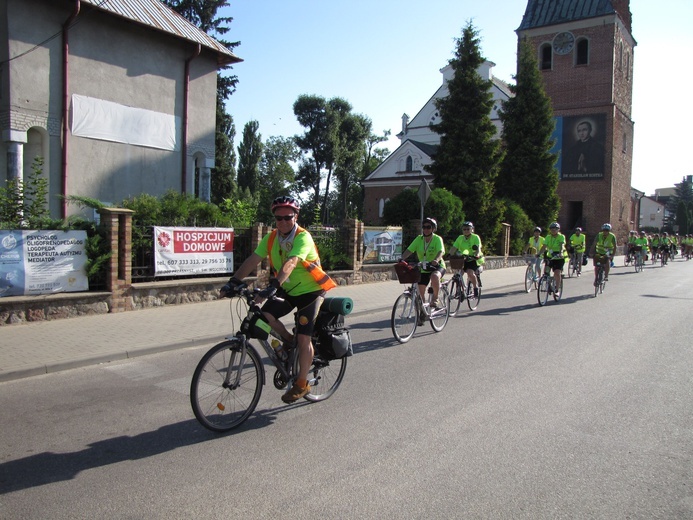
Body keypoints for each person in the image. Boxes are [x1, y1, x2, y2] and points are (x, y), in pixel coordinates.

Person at [220, 196, 336, 404]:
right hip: (289, 289)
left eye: (287, 217)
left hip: (311, 292)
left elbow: (291, 262)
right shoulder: (271, 238)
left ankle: (302, 384)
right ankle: (288, 340)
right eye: (278, 218)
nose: (282, 222)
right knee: (264, 315)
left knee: (304, 338)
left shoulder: (303, 237)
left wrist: (273, 286)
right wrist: (234, 281)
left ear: (295, 217)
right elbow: (253, 259)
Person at [399, 217, 446, 325]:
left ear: (433, 228)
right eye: (424, 227)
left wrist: (436, 260)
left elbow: (440, 251)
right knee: (420, 292)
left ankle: (435, 299)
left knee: (434, 277)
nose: (425, 229)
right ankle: (423, 313)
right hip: (424, 268)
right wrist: (402, 258)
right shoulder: (419, 239)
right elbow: (409, 250)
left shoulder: (437, 239)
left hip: (437, 266)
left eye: (428, 227)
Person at [448, 221, 484, 297]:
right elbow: (454, 248)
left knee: (470, 273)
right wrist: (449, 254)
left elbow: (478, 248)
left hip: (473, 259)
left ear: (472, 229)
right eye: (464, 229)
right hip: (463, 259)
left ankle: (475, 288)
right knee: (458, 274)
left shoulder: (475, 237)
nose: (466, 231)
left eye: (468, 229)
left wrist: (476, 255)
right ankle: (459, 290)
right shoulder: (460, 238)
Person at [538, 222, 567, 297]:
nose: (553, 230)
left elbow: (561, 245)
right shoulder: (548, 237)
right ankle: (549, 284)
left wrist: (560, 253)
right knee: (546, 272)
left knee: (557, 272)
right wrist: (539, 253)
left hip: (559, 257)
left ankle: (557, 290)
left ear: (558, 230)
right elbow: (544, 246)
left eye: (555, 229)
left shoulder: (561, 236)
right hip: (550, 257)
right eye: (552, 229)